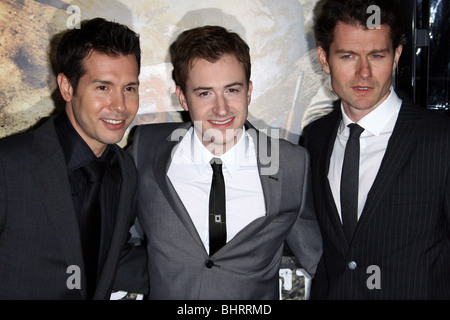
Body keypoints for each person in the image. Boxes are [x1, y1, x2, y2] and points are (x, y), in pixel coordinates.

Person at [124, 25, 322, 299]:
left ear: (249, 91)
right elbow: (114, 240)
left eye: (231, 90)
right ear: (182, 97)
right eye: (205, 93)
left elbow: (318, 259)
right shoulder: (145, 150)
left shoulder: (290, 165)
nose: (221, 108)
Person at [302, 0, 450, 299]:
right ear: (324, 59)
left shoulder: (441, 140)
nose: (364, 72)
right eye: (347, 56)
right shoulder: (315, 138)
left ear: (396, 56)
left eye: (376, 55)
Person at [0, 17, 141, 299]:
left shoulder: (124, 170)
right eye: (103, 87)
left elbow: (108, 259)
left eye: (129, 88)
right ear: (67, 87)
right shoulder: (8, 165)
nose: (120, 105)